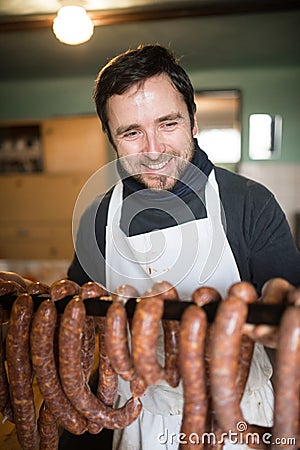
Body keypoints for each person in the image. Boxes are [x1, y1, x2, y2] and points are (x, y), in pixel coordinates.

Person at [66, 44, 300, 450]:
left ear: (193, 122)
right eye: (132, 132)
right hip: (138, 422)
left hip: (239, 425)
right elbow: (78, 320)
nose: (153, 149)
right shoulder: (98, 219)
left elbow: (286, 303)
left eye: (167, 124)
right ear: (112, 139)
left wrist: (279, 308)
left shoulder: (248, 202)